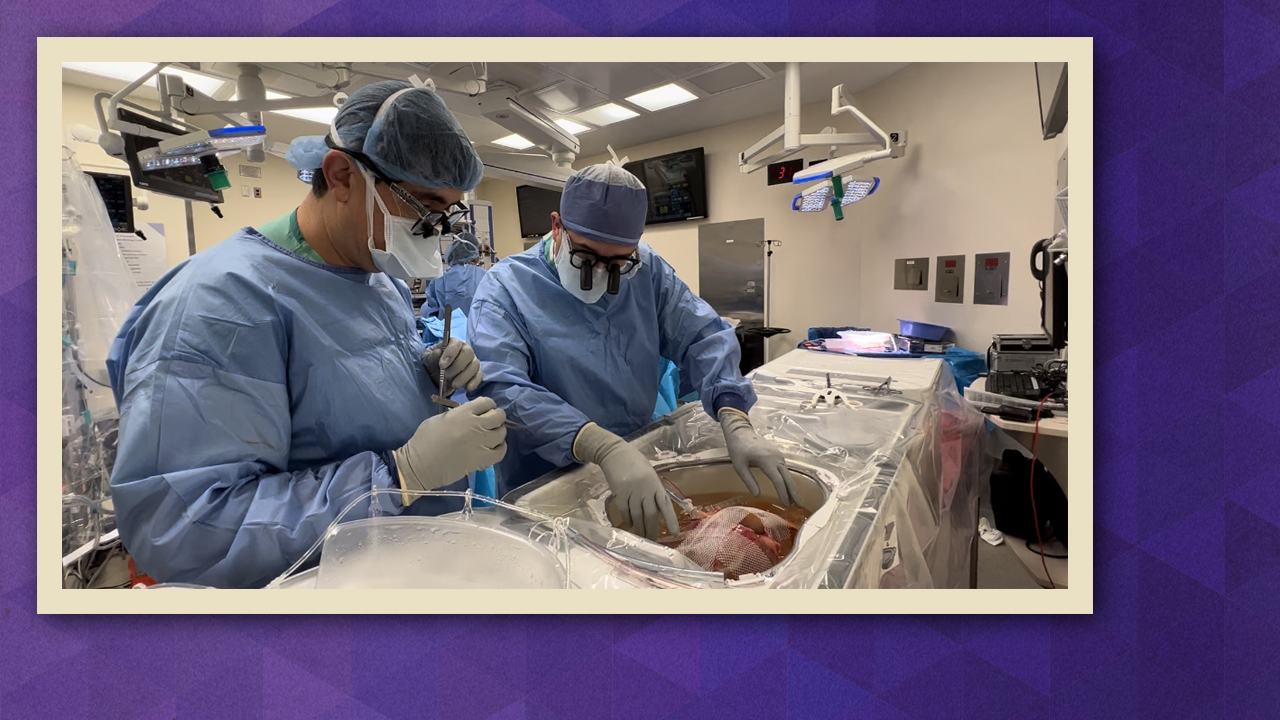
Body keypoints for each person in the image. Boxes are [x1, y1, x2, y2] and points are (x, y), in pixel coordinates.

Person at [106, 81, 507, 588]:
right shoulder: (219, 304)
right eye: (425, 210)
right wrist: (398, 476)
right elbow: (184, 531)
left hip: (414, 571)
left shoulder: (378, 279)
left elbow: (345, 392)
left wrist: (422, 368)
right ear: (342, 176)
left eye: (446, 216)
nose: (436, 232)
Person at [468, 163, 797, 541]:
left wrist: (734, 416)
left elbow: (703, 335)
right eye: (587, 259)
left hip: (639, 460)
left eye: (618, 264)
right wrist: (601, 446)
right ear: (556, 226)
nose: (604, 277)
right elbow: (502, 387)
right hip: (548, 484)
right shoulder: (506, 290)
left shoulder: (647, 269)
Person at [422, 231, 487, 320]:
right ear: (475, 255)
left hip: (447, 332)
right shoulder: (486, 276)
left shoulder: (440, 278)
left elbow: (429, 313)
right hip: (479, 332)